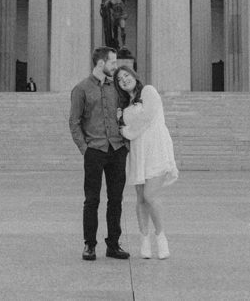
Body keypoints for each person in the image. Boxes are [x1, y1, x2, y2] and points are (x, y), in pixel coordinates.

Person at [69, 46, 131, 261]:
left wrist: (126, 142)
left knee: (116, 200)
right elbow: (74, 122)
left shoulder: (117, 88)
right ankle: (90, 245)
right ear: (101, 63)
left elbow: (126, 114)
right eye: (113, 62)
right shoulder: (81, 89)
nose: (116, 66)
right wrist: (85, 150)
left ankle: (113, 244)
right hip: (94, 151)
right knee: (91, 200)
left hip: (117, 149)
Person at [116, 65, 178, 260]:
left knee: (151, 195)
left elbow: (146, 119)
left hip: (155, 148)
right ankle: (144, 239)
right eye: (119, 79)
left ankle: (161, 237)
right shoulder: (125, 105)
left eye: (126, 75)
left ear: (134, 75)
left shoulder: (149, 91)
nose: (124, 80)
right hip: (138, 151)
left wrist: (125, 131)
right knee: (141, 198)